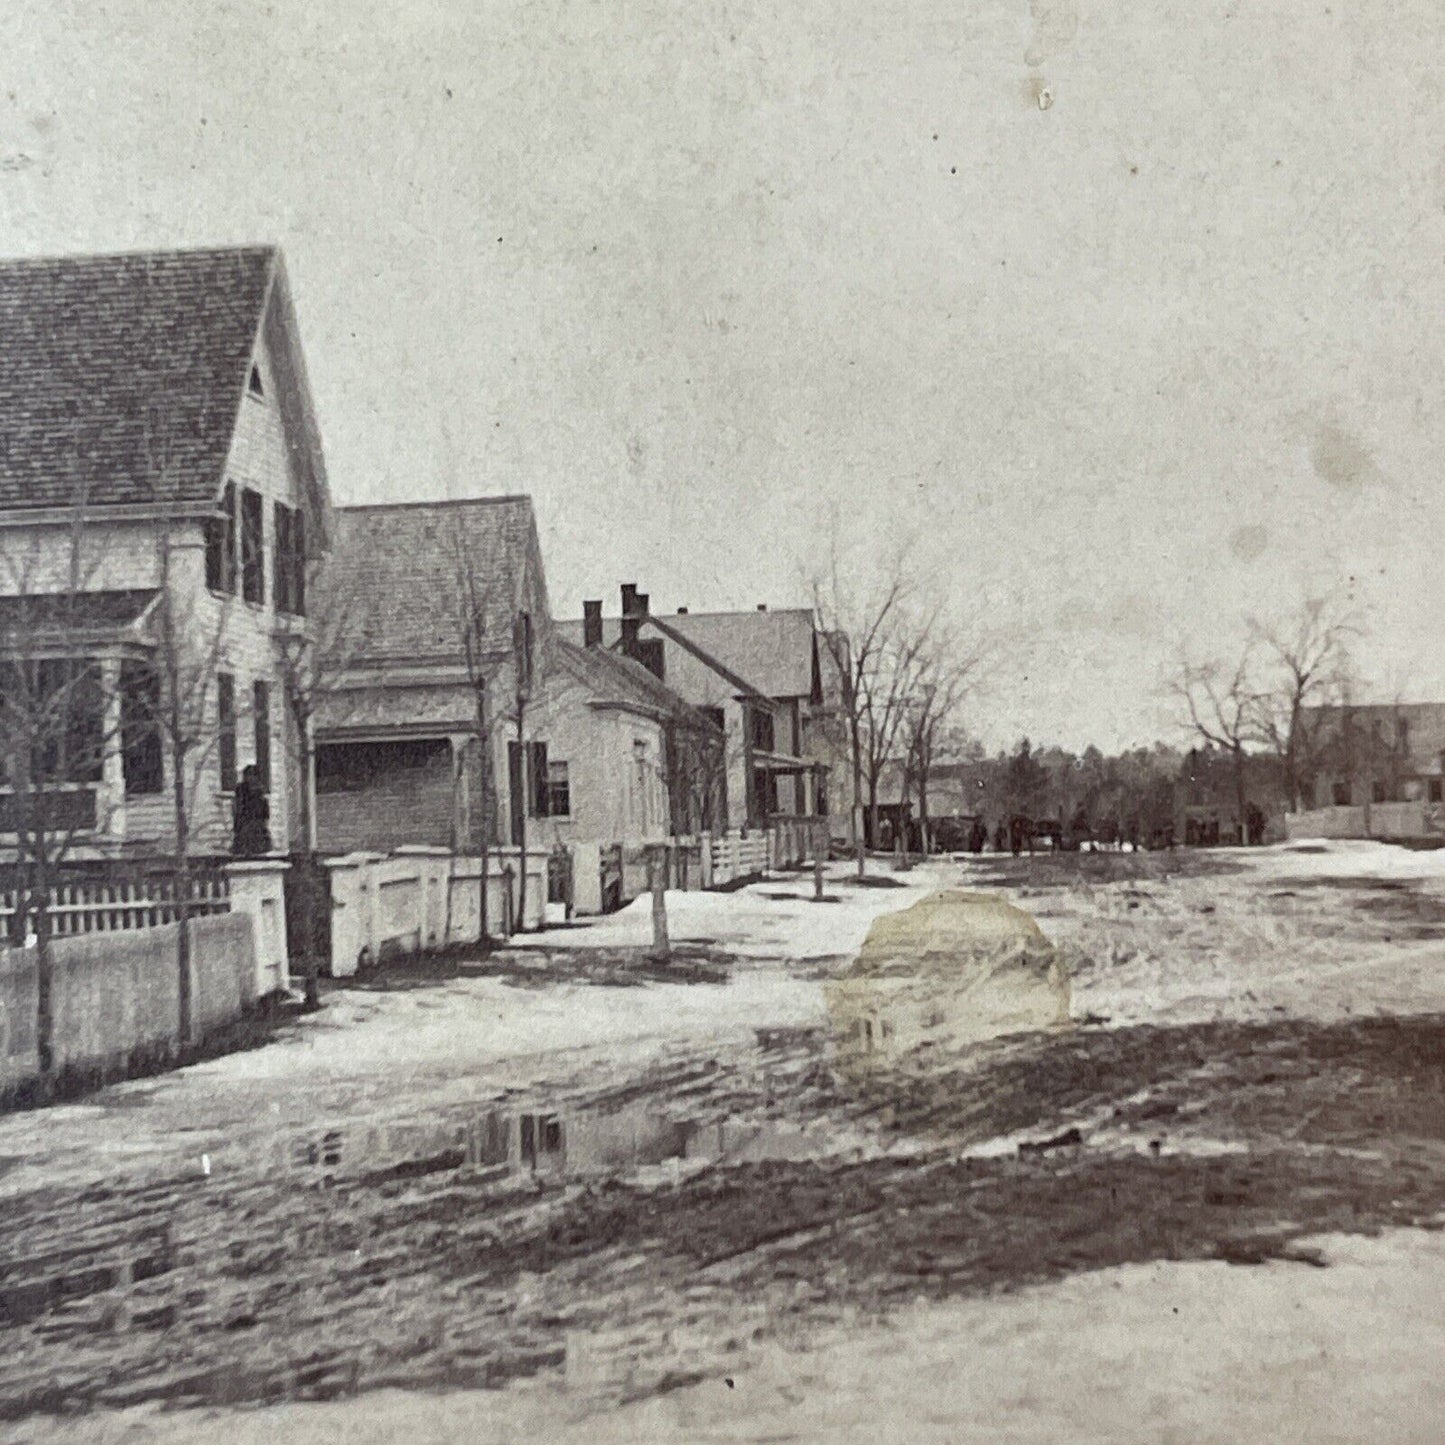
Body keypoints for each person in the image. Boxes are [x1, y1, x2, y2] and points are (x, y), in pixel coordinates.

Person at [232, 764, 273, 857]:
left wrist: (264, 818)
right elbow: (238, 808)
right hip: (245, 822)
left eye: (253, 775)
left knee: (258, 843)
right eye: (249, 775)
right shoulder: (241, 790)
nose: (251, 778)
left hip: (257, 823)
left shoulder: (259, 790)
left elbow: (264, 808)